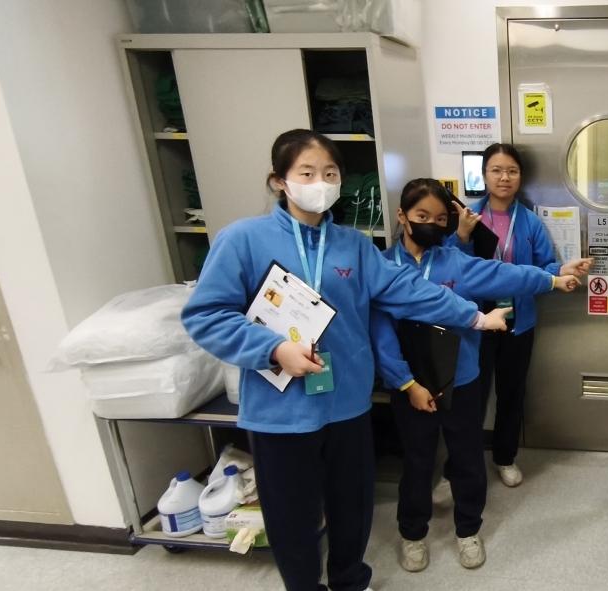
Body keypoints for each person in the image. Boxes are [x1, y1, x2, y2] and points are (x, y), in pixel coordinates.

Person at [181, 130, 510, 591]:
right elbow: (206, 315)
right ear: (279, 181)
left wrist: (473, 317)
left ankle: (351, 582)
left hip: (347, 403)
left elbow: (407, 290)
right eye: (307, 173)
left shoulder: (354, 244)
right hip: (280, 412)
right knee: (292, 517)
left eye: (330, 173)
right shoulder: (242, 240)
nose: (320, 182)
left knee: (351, 507)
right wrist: (273, 349)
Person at [371, 178, 583, 572]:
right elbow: (381, 335)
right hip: (410, 386)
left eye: (440, 219)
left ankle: (468, 530)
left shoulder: (454, 262)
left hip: (462, 380)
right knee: (417, 462)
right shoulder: (381, 267)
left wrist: (552, 278)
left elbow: (506, 274)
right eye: (422, 216)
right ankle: (413, 534)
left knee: (468, 459)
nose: (432, 224)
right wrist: (406, 383)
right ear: (402, 215)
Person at [447, 143, 591, 489]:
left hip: (518, 322)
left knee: (511, 394)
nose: (504, 177)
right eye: (496, 170)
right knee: (471, 397)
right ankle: (460, 465)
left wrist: (563, 270)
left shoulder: (529, 221)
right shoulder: (467, 216)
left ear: (520, 177)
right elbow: (449, 268)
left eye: (512, 171)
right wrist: (462, 235)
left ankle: (505, 456)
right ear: (484, 175)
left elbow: (543, 268)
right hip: (476, 321)